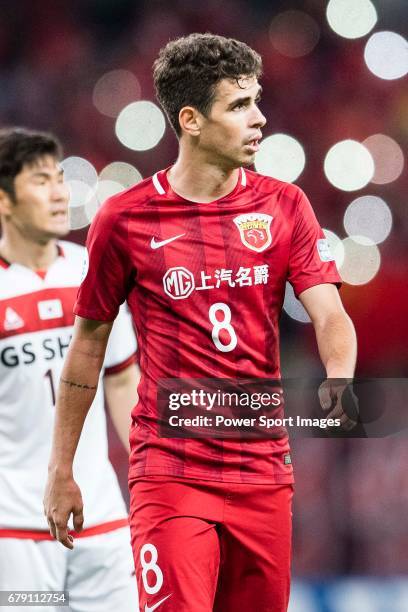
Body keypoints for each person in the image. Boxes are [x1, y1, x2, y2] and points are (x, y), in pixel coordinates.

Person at [44, 34, 357, 612]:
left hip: (264, 471)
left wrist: (339, 375)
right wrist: (61, 468)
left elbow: (329, 310)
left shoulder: (285, 205)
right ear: (189, 119)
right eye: (238, 106)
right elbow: (87, 348)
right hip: (171, 472)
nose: (259, 119)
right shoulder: (125, 218)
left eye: (258, 101)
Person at [0, 128, 139, 612]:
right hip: (14, 528)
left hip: (100, 514)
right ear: (4, 201)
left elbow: (122, 379)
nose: (60, 192)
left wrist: (149, 468)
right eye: (41, 181)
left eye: (61, 178)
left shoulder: (91, 270)